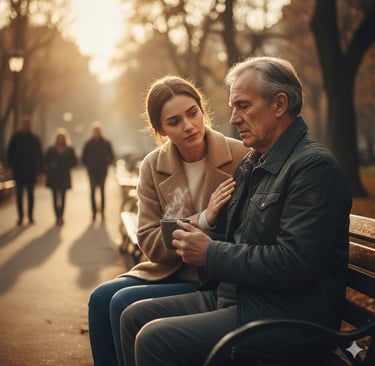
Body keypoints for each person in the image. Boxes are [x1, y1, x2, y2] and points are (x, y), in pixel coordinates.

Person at [120, 56, 353, 366]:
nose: (233, 119)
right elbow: (244, 236)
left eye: (243, 106)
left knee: (154, 338)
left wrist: (209, 252)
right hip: (240, 297)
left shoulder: (312, 167)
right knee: (133, 316)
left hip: (285, 317)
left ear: (279, 105)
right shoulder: (255, 161)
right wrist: (202, 228)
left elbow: (295, 263)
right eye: (233, 108)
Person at [88, 75, 248, 366]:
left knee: (122, 303)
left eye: (192, 113)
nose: (188, 126)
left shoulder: (240, 156)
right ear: (160, 129)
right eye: (174, 121)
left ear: (202, 110)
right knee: (100, 298)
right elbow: (148, 239)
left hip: (216, 277)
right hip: (170, 271)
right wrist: (203, 218)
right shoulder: (153, 165)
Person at [6, 114, 43, 225]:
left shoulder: (34, 139)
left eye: (27, 124)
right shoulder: (15, 138)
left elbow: (39, 155)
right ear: (21, 125)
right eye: (24, 124)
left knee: (30, 195)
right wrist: (12, 167)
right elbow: (10, 153)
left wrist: (40, 171)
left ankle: (30, 216)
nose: (26, 126)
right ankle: (21, 217)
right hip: (19, 172)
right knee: (19, 195)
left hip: (31, 171)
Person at [81, 121, 115, 222]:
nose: (96, 132)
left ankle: (103, 212)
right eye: (95, 131)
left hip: (102, 171)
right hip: (92, 172)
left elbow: (112, 156)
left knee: (102, 192)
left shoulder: (106, 143)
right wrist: (88, 164)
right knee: (92, 193)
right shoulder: (88, 143)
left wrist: (106, 162)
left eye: (98, 131)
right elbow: (83, 157)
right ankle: (94, 213)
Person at [45, 128, 77, 226]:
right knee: (55, 197)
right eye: (59, 138)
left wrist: (68, 165)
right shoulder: (51, 150)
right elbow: (45, 162)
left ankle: (61, 216)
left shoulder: (69, 150)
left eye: (62, 138)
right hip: (53, 177)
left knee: (63, 197)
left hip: (64, 176)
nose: (60, 140)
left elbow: (74, 162)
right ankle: (57, 216)